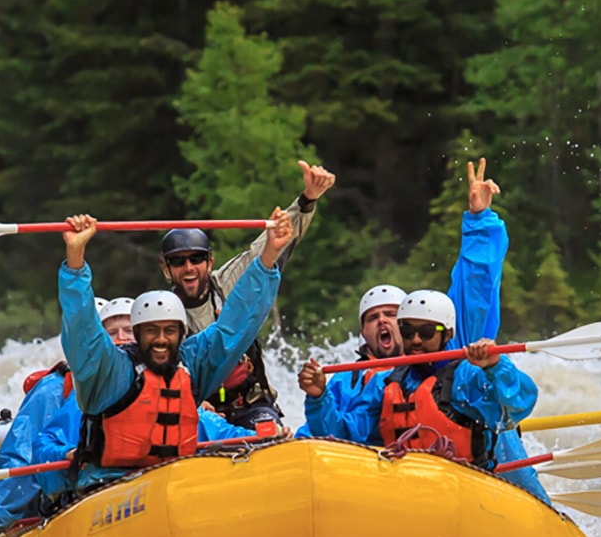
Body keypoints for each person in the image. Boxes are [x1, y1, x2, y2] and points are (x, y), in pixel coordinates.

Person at [59, 207, 292, 491]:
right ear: (137, 334)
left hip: (175, 479)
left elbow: (237, 322)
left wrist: (269, 255)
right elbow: (82, 327)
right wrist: (76, 256)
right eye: (151, 331)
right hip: (110, 485)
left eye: (169, 331)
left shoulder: (191, 365)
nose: (161, 340)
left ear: (182, 333)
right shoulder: (110, 371)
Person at [297, 291, 541, 496]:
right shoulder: (386, 383)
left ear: (447, 334)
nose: (415, 340)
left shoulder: (467, 376)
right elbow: (343, 435)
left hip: (468, 489)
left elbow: (519, 405)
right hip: (409, 492)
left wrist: (495, 367)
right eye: (407, 331)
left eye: (426, 332)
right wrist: (319, 397)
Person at [160, 159, 337, 433]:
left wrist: (307, 199)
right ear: (166, 269)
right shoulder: (162, 312)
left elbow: (270, 247)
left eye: (196, 259)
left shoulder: (229, 282)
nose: (189, 268)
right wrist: (192, 404)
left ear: (209, 262)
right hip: (197, 410)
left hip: (250, 405)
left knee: (265, 429)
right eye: (178, 261)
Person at [0, 298, 122, 537]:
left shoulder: (147, 378)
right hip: (63, 499)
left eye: (128, 332)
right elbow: (23, 457)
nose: (121, 340)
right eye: (111, 334)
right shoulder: (53, 390)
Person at [295, 283, 404, 441]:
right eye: (373, 318)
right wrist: (318, 397)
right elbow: (318, 433)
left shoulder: (424, 370)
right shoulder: (343, 378)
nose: (382, 320)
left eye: (390, 314)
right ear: (364, 333)